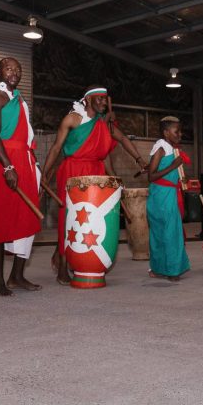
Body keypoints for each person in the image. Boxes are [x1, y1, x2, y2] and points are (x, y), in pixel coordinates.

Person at [42, 86, 147, 285]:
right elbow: (56, 148)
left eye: (105, 99)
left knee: (89, 219)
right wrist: (44, 174)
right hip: (73, 170)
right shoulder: (72, 119)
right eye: (99, 99)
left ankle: (82, 259)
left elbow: (122, 139)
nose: (103, 102)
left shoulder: (103, 125)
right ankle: (62, 268)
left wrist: (140, 160)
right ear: (88, 100)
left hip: (96, 172)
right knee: (68, 218)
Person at [0, 57, 42, 295]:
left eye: (17, 69)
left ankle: (17, 276)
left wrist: (34, 166)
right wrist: (7, 167)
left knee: (27, 218)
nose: (14, 72)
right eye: (8, 68)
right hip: (2, 162)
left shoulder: (18, 98)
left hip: (24, 161)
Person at [146, 117, 192, 281]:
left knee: (170, 233)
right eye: (176, 131)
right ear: (166, 133)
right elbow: (151, 176)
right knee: (163, 234)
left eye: (180, 131)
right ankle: (165, 269)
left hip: (170, 194)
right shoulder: (161, 149)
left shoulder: (174, 150)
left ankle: (169, 268)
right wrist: (173, 165)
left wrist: (182, 180)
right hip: (160, 196)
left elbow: (173, 175)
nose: (180, 134)